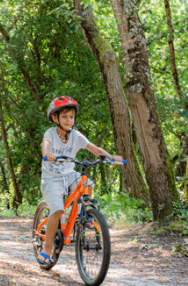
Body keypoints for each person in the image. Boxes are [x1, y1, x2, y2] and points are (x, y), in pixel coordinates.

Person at [37, 96, 123, 265]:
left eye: (71, 117)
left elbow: (95, 149)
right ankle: (47, 247)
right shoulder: (50, 133)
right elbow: (45, 145)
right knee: (58, 211)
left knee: (88, 183)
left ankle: (85, 215)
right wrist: (47, 154)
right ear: (55, 118)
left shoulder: (76, 135)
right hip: (52, 178)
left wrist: (111, 158)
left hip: (69, 174)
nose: (69, 120)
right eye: (64, 117)